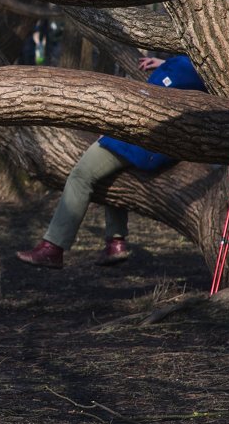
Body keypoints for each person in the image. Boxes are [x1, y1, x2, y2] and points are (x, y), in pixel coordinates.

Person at [17, 55, 207, 269]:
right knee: (110, 176)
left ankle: (53, 247)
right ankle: (115, 243)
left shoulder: (187, 67)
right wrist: (164, 63)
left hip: (141, 143)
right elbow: (188, 72)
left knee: (82, 175)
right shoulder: (201, 67)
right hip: (155, 144)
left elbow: (153, 102)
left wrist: (112, 134)